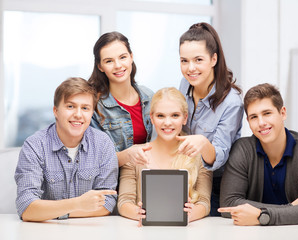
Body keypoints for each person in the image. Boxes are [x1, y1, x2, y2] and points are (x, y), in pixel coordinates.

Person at [218, 83, 298, 226]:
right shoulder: (242, 150)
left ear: (282, 113)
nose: (261, 122)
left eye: (267, 113)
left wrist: (262, 216)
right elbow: (228, 204)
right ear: (248, 122)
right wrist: (290, 209)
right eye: (253, 117)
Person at [15, 77, 118, 222]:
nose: (78, 114)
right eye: (70, 106)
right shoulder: (34, 145)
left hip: (89, 231)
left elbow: (107, 203)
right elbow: (26, 208)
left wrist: (56, 212)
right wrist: (78, 204)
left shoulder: (103, 144)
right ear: (56, 111)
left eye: (85, 108)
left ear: (91, 113)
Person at [118, 87, 212, 225]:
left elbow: (204, 203)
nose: (167, 123)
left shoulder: (198, 154)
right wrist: (138, 213)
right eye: (160, 116)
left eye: (175, 115)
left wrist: (191, 214)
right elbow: (124, 202)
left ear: (185, 118)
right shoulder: (136, 154)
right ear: (152, 117)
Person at [178, 22, 244, 215]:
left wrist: (202, 143)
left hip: (217, 185)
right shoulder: (185, 84)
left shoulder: (231, 102)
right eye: (184, 61)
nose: (190, 68)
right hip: (188, 177)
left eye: (198, 60)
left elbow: (220, 157)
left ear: (214, 59)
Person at [89, 31, 153, 167]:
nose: (117, 65)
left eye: (122, 57)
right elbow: (97, 161)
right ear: (100, 66)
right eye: (109, 61)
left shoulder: (150, 97)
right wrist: (129, 154)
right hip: (113, 183)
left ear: (131, 57)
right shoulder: (94, 107)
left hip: (150, 176)